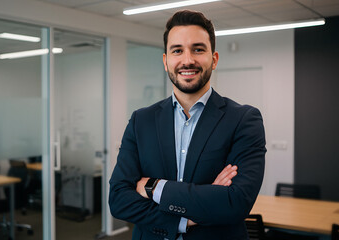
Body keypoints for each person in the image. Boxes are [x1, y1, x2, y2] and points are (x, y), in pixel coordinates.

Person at [109, 10, 266, 240]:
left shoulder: (244, 120)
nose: (187, 60)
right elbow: (119, 200)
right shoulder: (141, 121)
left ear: (214, 59)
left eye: (198, 49)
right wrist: (188, 216)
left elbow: (236, 202)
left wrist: (154, 186)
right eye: (177, 50)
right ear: (166, 61)